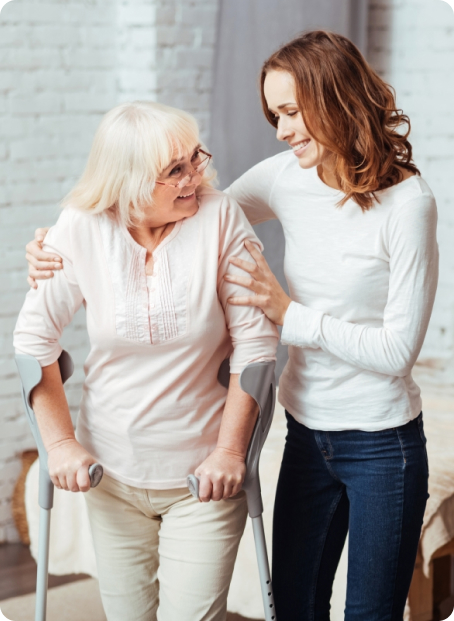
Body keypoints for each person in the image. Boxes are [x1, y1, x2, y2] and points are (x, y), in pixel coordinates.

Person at [25, 31, 438, 621]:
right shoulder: (286, 176)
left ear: (337, 99)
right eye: (275, 115)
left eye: (292, 112)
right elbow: (186, 210)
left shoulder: (409, 204)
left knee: (371, 611)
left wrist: (288, 314)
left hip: (381, 442)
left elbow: (397, 351)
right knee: (295, 606)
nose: (281, 130)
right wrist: (58, 243)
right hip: (306, 433)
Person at [14, 101, 278, 621]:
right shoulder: (81, 228)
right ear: (129, 182)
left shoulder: (220, 217)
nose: (194, 179)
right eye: (174, 171)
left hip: (203, 477)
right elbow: (32, 340)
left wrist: (230, 452)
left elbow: (256, 346)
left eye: (194, 160)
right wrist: (61, 444)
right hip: (109, 472)